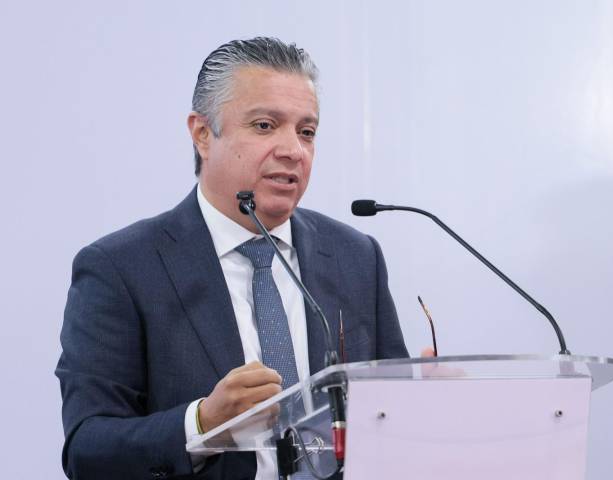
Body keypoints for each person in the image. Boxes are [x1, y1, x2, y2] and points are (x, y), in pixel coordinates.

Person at [56, 37, 408, 480]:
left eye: (306, 131)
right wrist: (202, 423)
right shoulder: (121, 268)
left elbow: (391, 420)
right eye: (265, 125)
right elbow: (88, 449)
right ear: (203, 134)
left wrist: (426, 406)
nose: (293, 150)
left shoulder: (355, 257)